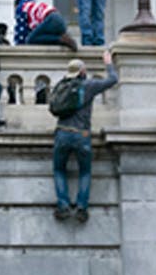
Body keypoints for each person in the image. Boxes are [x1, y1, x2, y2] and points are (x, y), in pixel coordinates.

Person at [50, 50, 118, 223]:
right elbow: (113, 80)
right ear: (82, 71)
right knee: (85, 172)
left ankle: (63, 205)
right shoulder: (89, 85)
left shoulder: (61, 86)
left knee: (59, 170)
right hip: (82, 134)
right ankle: (81, 207)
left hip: (62, 132)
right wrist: (108, 63)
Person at [12, 0, 77, 50]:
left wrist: (18, 46)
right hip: (60, 21)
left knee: (30, 40)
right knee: (39, 38)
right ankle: (63, 39)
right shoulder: (32, 4)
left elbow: (21, 33)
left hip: (51, 20)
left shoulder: (21, 7)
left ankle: (61, 39)